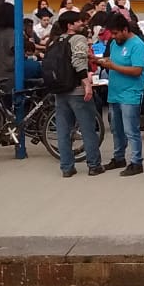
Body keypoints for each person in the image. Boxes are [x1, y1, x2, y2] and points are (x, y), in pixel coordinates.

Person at [49, 11, 103, 178]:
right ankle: (94, 165)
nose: (82, 23)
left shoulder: (56, 41)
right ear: (70, 25)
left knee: (63, 130)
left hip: (60, 91)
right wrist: (87, 85)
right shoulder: (78, 39)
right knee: (87, 128)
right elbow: (78, 62)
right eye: (78, 21)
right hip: (77, 91)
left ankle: (66, 167)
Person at [96, 14, 144, 177]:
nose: (113, 37)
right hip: (115, 92)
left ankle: (136, 161)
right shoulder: (114, 43)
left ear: (125, 30)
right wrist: (99, 60)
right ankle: (119, 157)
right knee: (116, 128)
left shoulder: (138, 45)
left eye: (116, 33)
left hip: (130, 93)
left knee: (131, 129)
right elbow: (112, 60)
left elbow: (137, 70)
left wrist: (113, 66)